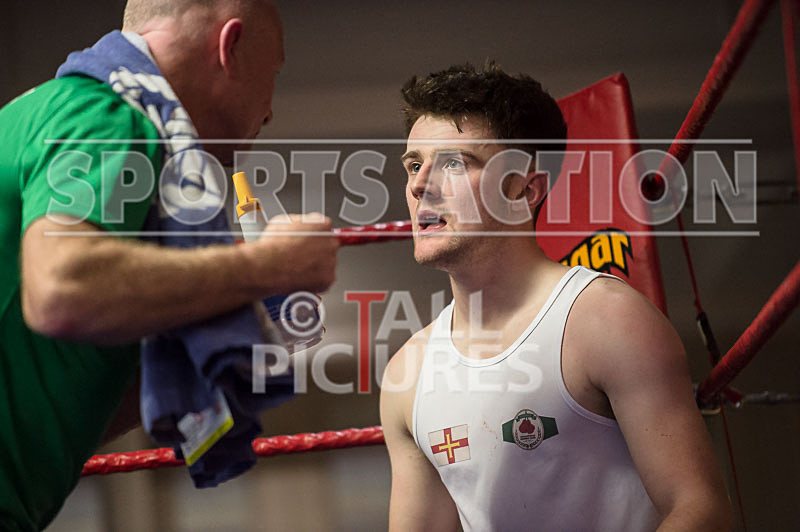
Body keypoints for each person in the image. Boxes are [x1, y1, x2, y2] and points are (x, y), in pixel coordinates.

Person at [0, 0, 339, 529]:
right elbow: (61, 289)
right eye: (272, 72)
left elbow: (63, 407)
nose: (269, 111)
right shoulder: (105, 110)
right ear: (230, 47)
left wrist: (242, 314)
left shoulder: (71, 114)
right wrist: (267, 265)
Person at [380, 63, 733, 531]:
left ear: (525, 191)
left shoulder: (606, 320)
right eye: (413, 164)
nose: (420, 184)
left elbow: (700, 509)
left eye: (452, 162)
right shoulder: (409, 372)